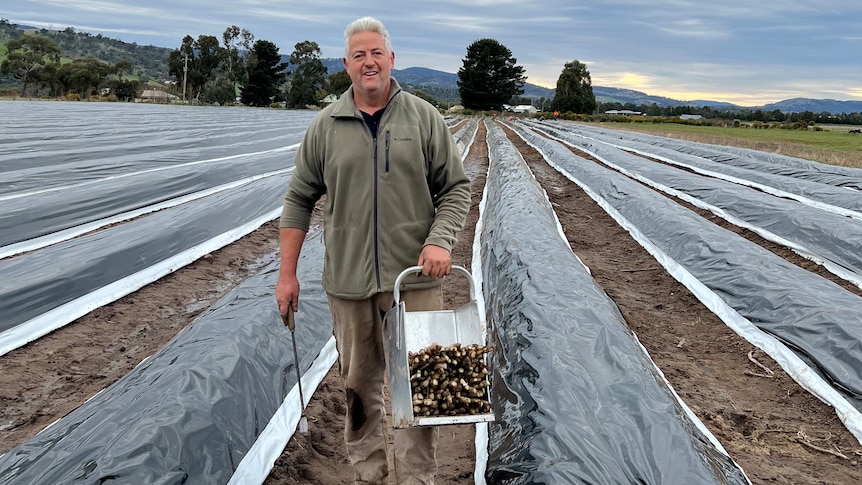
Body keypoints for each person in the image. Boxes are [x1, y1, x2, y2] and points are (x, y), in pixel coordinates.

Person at [276, 16, 471, 485]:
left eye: (376, 53)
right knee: (358, 391)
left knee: (421, 394)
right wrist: (287, 274)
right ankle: (370, 477)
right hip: (348, 284)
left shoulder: (423, 118)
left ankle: (416, 480)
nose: (369, 63)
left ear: (391, 59)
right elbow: (299, 199)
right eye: (359, 55)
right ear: (347, 65)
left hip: (416, 282)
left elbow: (456, 189)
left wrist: (440, 239)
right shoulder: (325, 126)